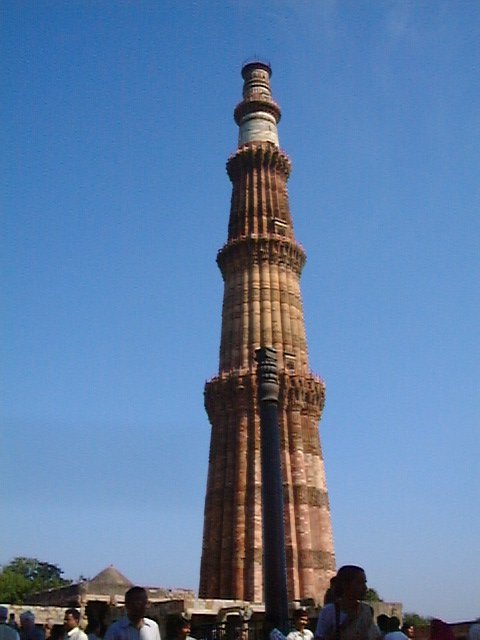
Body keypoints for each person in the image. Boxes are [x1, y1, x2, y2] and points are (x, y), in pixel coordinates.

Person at [314, 565, 380, 640]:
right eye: (359, 583)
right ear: (346, 585)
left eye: (364, 583)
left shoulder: (366, 610)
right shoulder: (329, 611)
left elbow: (375, 636)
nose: (365, 587)